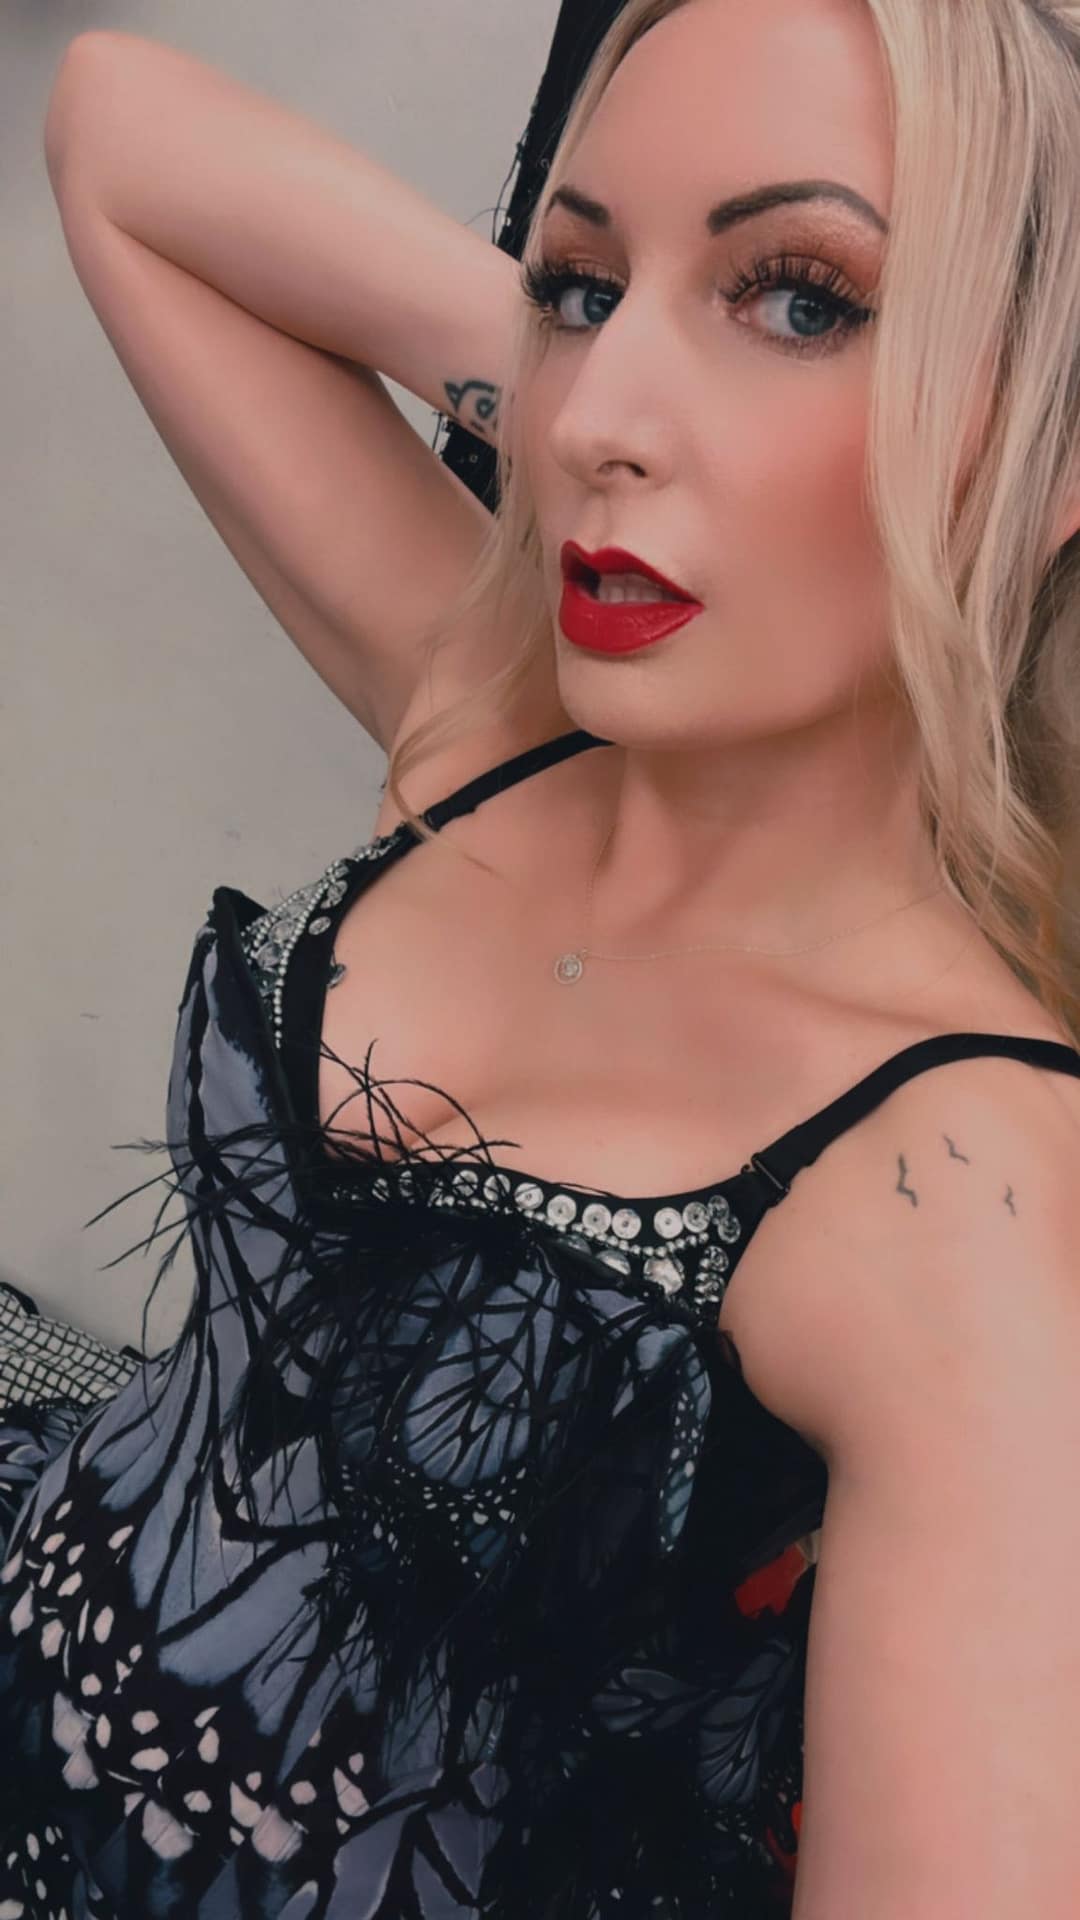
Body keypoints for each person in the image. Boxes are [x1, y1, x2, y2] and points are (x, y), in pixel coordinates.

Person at [6, 0, 1080, 1913]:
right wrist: (599, 362)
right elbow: (118, 126)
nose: (590, 419)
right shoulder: (497, 721)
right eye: (578, 288)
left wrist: (634, 355)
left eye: (806, 300)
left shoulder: (968, 1204)